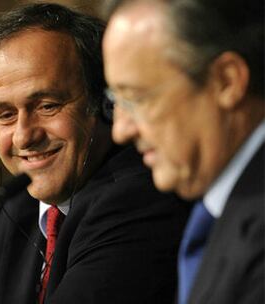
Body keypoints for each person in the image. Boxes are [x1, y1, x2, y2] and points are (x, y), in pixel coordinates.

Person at [0, 3, 189, 304]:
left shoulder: (137, 200)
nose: (24, 135)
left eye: (47, 106)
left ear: (105, 105)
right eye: (5, 115)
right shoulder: (20, 208)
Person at [103, 0, 264, 303]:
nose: (120, 130)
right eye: (116, 101)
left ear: (226, 81)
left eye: (137, 98)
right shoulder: (219, 210)